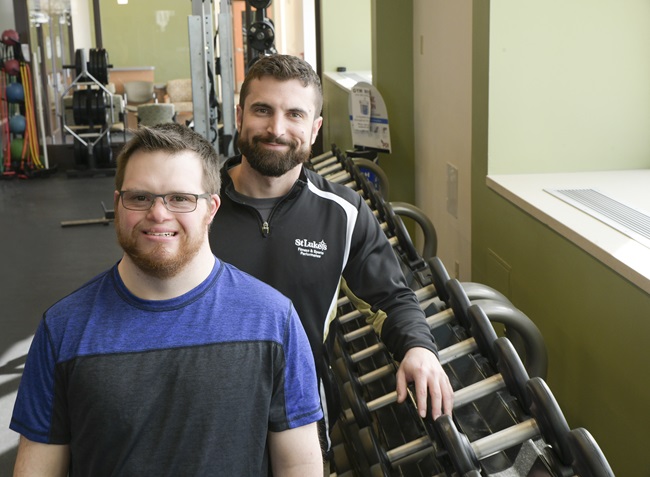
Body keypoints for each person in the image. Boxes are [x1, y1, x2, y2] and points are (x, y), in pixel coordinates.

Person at [10, 123, 324, 476]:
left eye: (180, 198)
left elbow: (298, 465)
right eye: (140, 197)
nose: (158, 214)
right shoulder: (63, 328)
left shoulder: (273, 319)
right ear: (118, 204)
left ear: (211, 208)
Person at [209, 55, 454, 447]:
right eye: (262, 110)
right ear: (240, 115)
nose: (277, 128)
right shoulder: (196, 207)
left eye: (295, 115)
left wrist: (419, 348)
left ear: (315, 127)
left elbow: (391, 297)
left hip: (299, 413)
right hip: (206, 414)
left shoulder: (344, 213)